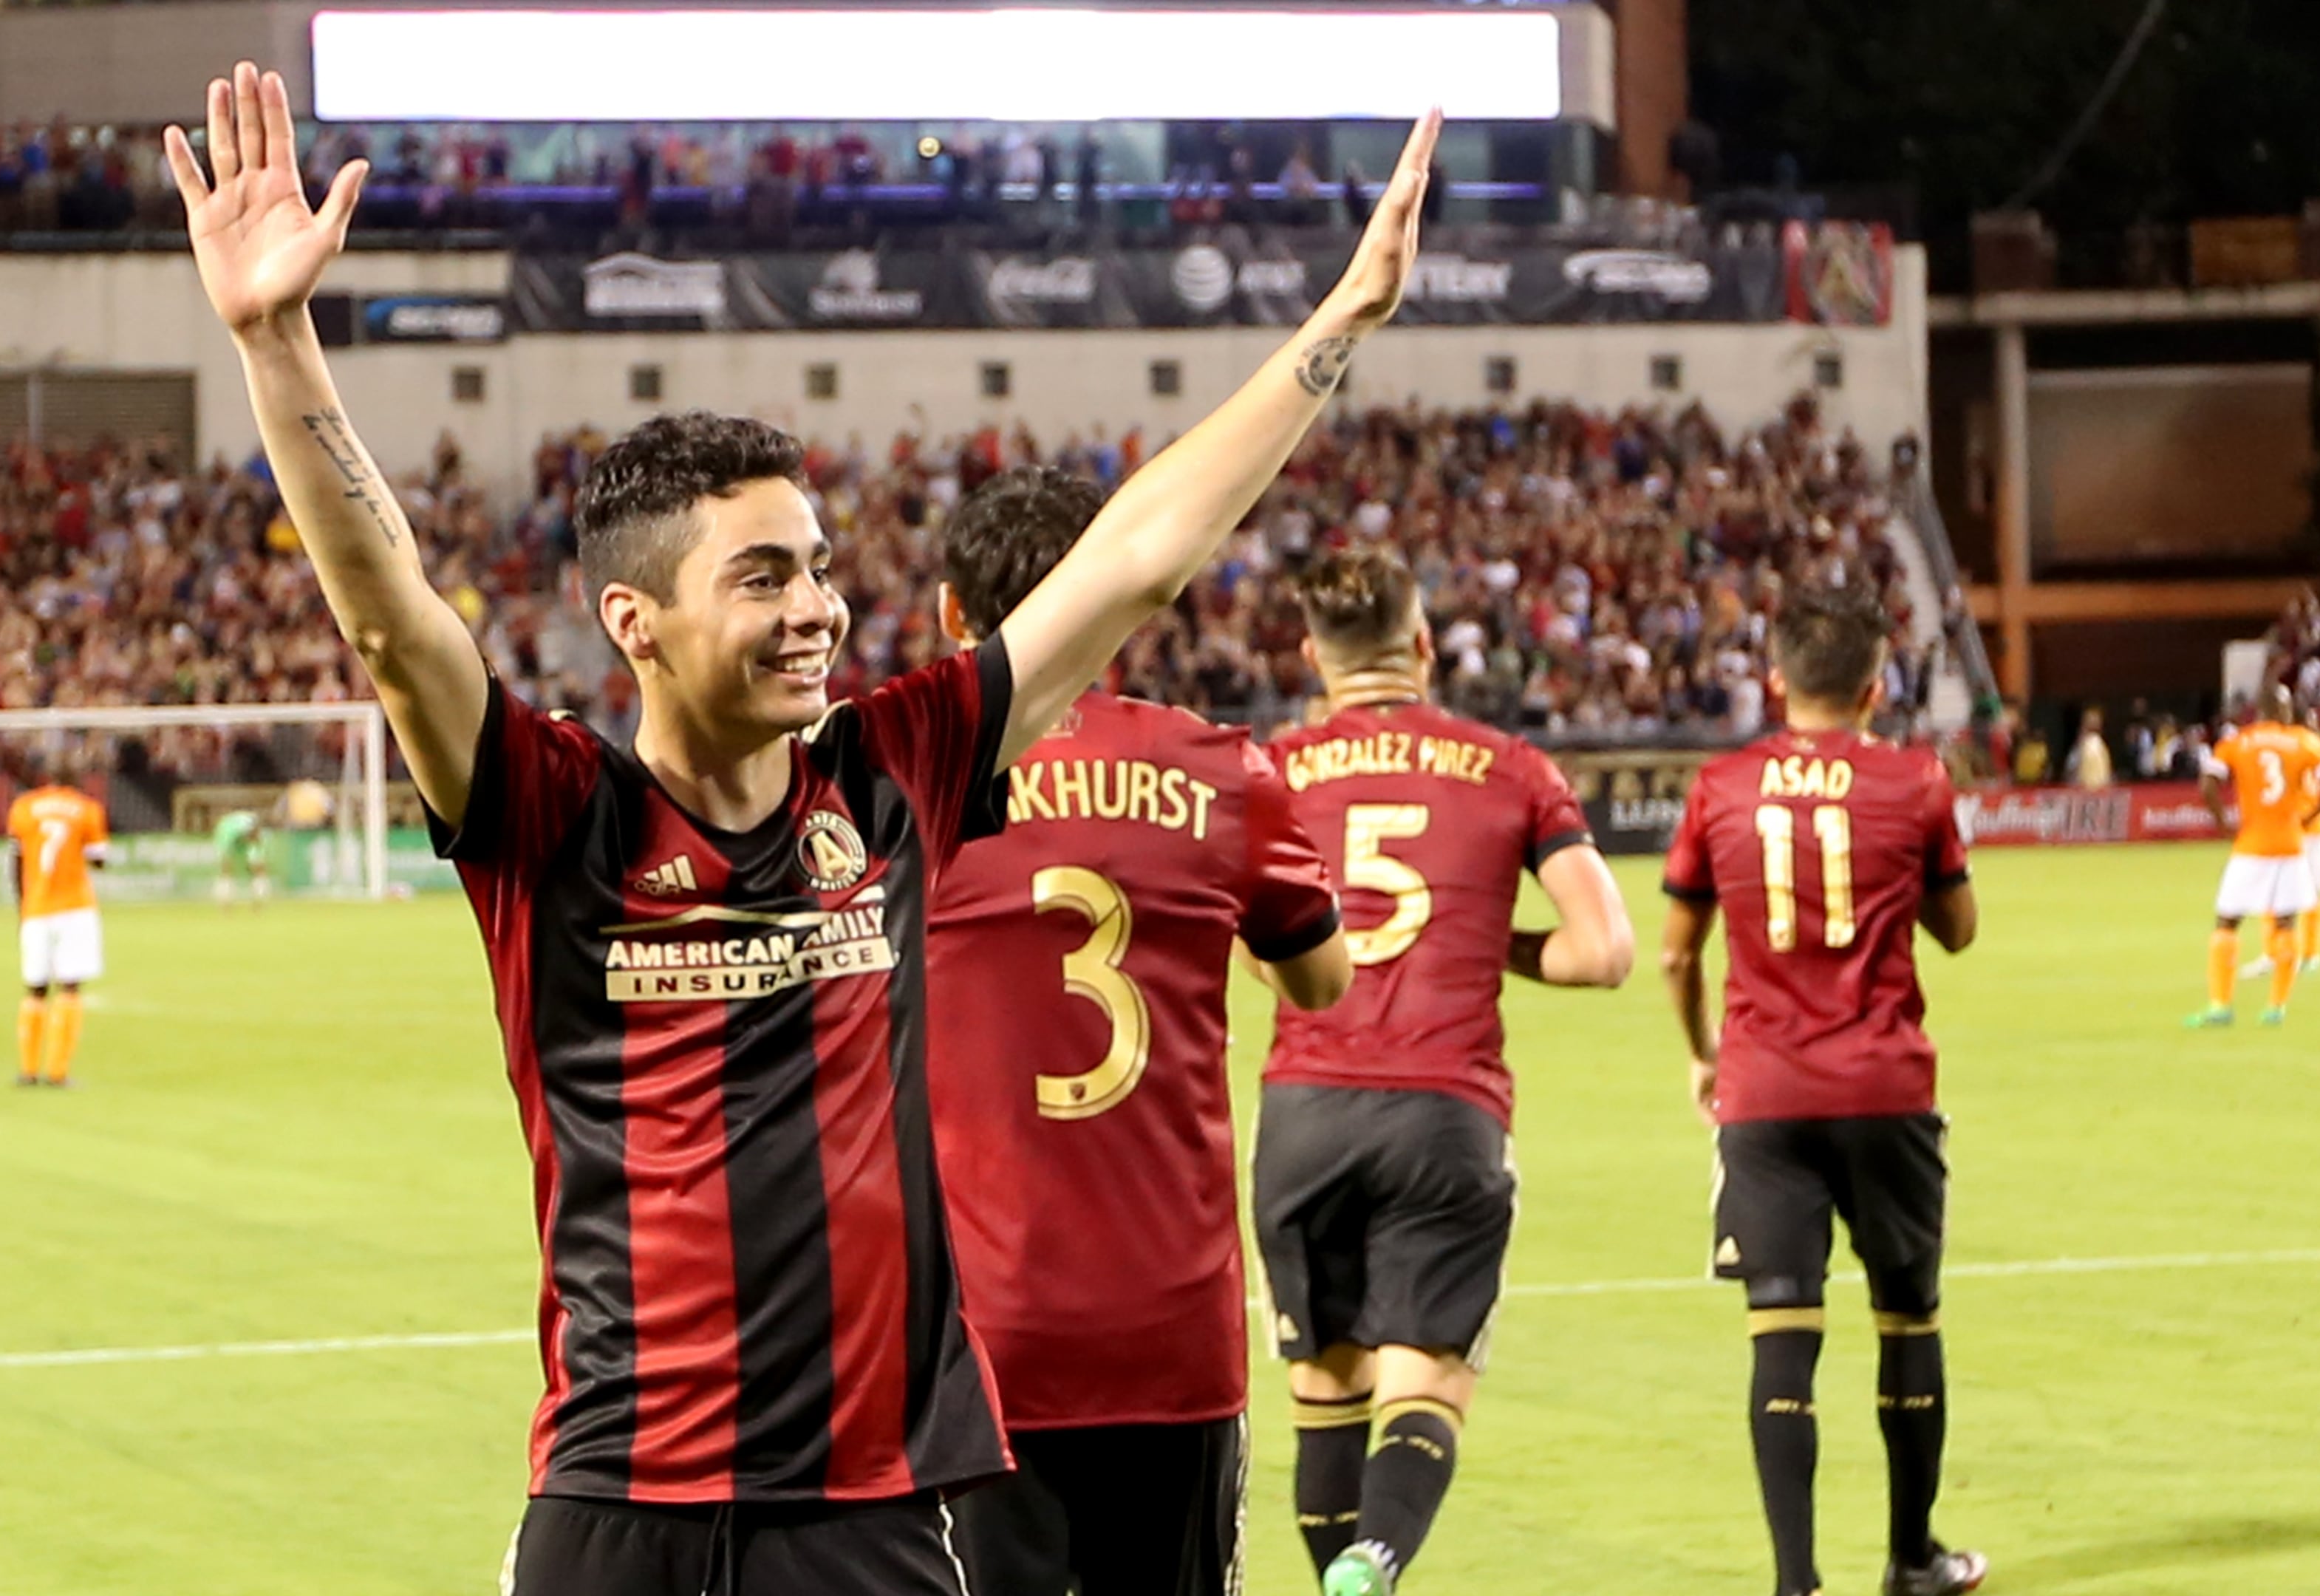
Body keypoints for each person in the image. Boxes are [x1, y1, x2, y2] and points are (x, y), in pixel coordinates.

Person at [164, 60, 1438, 1596]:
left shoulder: (888, 776)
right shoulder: (553, 814)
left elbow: (1135, 563)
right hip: (616, 1496)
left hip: (866, 1511)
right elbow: (388, 619)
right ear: (635, 622)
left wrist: (1337, 330)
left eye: (818, 568)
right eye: (762, 578)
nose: (818, 608)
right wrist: (276, 340)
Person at [923, 467, 1353, 1596]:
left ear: (951, 616)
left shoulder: (906, 787)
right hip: (1172, 1331)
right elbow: (1321, 978)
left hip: (986, 1333)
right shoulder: (1223, 772)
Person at [1254, 547, 1634, 1596]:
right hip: (1444, 1108)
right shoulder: (1511, 765)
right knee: (1424, 1385)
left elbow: (1250, 945)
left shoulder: (1273, 768)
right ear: (1423, 646)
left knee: (1323, 1388)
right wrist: (1487, 941)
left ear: (1312, 658)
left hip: (1304, 1112)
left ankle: (1345, 1564)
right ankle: (1377, 1559)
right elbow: (1604, 952)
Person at [1658, 582, 1987, 1596]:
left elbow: (1675, 954)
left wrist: (1705, 1050)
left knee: (1782, 1334)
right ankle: (1911, 1560)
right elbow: (1960, 928)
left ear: (1774, 679)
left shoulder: (1719, 788)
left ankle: (1796, 1585)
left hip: (1765, 1096)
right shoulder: (1917, 781)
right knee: (1909, 1320)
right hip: (1885, 1086)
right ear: (1877, 688)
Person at [2187, 685, 2320, 1027]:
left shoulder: (2238, 743)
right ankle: (2276, 1007)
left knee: (2227, 922)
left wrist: (2223, 824)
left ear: (2258, 710)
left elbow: (2208, 783)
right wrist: (2310, 816)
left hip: (2251, 845)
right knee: (2285, 924)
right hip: (2292, 845)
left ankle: (2221, 1006)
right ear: (2285, 710)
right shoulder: (2305, 742)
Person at [7, 757, 110, 1086]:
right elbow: (99, 860)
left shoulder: (23, 807)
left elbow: (16, 859)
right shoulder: (87, 809)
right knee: (70, 985)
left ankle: (27, 1070)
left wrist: (22, 907)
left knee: (35, 988)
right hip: (74, 907)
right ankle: (58, 1072)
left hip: (36, 907)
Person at [214, 801, 273, 910]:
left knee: (259, 870)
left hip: (246, 835)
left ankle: (258, 902)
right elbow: (226, 861)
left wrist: (256, 863)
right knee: (226, 870)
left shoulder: (260, 835)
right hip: (230, 835)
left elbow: (260, 861)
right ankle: (225, 902)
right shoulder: (227, 831)